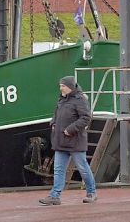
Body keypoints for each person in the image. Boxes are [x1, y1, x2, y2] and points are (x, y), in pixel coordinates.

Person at [39, 75, 97, 205]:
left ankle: (91, 192)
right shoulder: (62, 99)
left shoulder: (80, 100)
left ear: (69, 87)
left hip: (75, 141)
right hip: (60, 141)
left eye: (63, 85)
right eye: (60, 85)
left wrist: (70, 129)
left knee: (82, 168)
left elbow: (86, 118)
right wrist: (53, 123)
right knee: (58, 169)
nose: (60, 88)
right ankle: (55, 196)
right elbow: (56, 114)